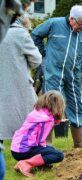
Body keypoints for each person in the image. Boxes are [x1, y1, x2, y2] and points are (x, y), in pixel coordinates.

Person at [32, 5, 82, 148]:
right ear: (71, 18)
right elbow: (36, 34)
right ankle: (47, 142)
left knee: (76, 104)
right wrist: (44, 54)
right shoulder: (54, 24)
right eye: (80, 24)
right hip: (54, 72)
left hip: (73, 75)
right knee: (51, 104)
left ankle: (79, 141)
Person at [0, 14, 42, 142]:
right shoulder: (20, 34)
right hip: (17, 84)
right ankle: (26, 157)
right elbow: (36, 60)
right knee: (25, 123)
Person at [11, 90, 65, 177]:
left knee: (50, 149)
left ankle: (32, 164)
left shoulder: (38, 111)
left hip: (16, 148)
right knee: (58, 155)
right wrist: (48, 154)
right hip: (23, 150)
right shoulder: (46, 119)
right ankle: (26, 163)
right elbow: (40, 140)